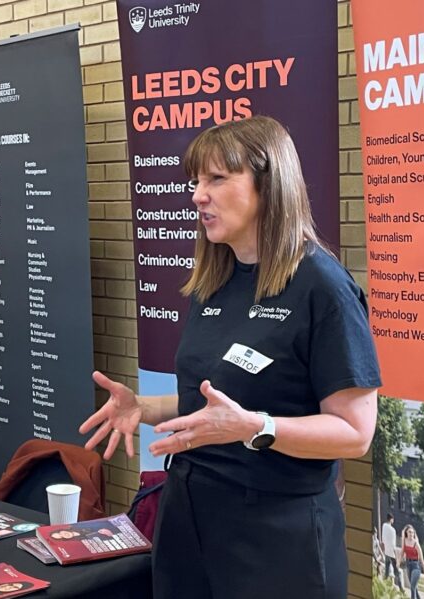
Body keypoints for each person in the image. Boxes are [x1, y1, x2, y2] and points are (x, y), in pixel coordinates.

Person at [79, 116, 380, 599]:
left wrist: (257, 429)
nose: (198, 195)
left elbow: (354, 434)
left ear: (269, 184)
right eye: (195, 181)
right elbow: (217, 403)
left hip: (277, 538)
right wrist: (146, 408)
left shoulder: (323, 288)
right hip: (190, 521)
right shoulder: (214, 279)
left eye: (217, 179)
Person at [399, 524, 424, 599]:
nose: (411, 534)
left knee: (412, 587)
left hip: (416, 565)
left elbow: (421, 558)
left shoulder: (416, 543)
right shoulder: (404, 541)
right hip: (408, 564)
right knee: (414, 587)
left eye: (412, 532)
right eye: (409, 532)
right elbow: (402, 552)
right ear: (406, 532)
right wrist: (398, 562)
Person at [383, 512, 404, 591]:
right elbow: (393, 543)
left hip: (386, 551)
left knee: (387, 570)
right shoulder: (392, 530)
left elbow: (383, 538)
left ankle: (384, 586)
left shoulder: (384, 526)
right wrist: (395, 554)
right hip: (391, 552)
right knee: (396, 571)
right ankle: (401, 587)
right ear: (391, 519)